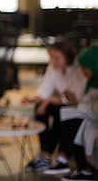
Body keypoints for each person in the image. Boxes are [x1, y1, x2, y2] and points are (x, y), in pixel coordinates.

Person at [22, 40, 87, 172]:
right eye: (51, 57)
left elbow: (75, 98)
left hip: (78, 106)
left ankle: (50, 155)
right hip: (64, 103)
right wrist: (33, 99)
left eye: (57, 57)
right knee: (41, 108)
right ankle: (45, 154)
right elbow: (45, 90)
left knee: (60, 112)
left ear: (67, 56)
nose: (53, 60)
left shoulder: (78, 69)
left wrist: (49, 100)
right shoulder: (53, 67)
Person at [43, 45, 98, 180]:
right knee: (64, 112)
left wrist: (76, 102)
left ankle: (64, 158)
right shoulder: (93, 82)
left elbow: (95, 111)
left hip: (92, 119)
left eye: (85, 67)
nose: (82, 70)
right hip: (89, 116)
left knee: (70, 117)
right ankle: (63, 159)